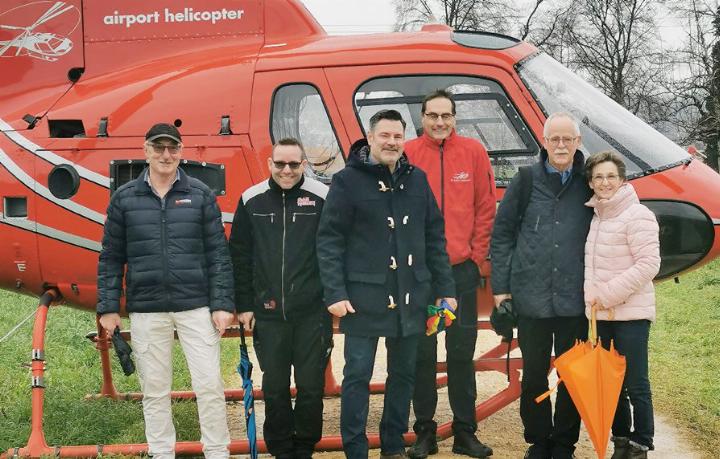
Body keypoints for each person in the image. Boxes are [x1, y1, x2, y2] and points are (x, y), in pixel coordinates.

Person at [317, 109, 456, 459]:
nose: (392, 142)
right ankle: (355, 450)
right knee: (357, 377)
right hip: (363, 297)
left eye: (397, 136)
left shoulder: (418, 179)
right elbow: (329, 239)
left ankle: (393, 446)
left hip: (411, 295)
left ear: (404, 138)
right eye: (385, 136)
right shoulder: (347, 180)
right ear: (371, 137)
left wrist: (446, 290)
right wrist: (334, 291)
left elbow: (434, 237)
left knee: (403, 376)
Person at [97, 123, 234, 459]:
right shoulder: (124, 199)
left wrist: (221, 304)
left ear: (181, 151)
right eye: (158, 148)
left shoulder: (200, 195)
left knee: (209, 386)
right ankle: (161, 452)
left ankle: (217, 451)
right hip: (147, 308)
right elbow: (111, 258)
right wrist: (108, 307)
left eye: (172, 148)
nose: (166, 155)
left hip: (196, 306)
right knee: (155, 390)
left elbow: (219, 255)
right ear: (146, 151)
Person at [490, 112, 593, 459]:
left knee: (571, 375)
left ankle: (564, 443)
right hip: (530, 297)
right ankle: (538, 440)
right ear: (544, 142)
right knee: (534, 374)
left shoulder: (589, 180)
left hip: (573, 299)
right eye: (554, 139)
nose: (561, 145)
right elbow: (502, 234)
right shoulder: (525, 179)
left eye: (568, 139)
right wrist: (501, 289)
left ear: (577, 142)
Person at [404, 89, 496, 459]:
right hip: (421, 276)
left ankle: (464, 432)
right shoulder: (409, 153)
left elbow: (485, 208)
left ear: (455, 118)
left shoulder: (473, 152)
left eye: (446, 115)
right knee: (422, 354)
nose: (439, 122)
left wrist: (476, 260)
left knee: (461, 354)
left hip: (459, 274)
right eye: (432, 116)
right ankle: (425, 431)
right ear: (422, 118)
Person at [229, 138, 332, 459]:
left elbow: (333, 251)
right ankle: (280, 448)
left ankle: (304, 446)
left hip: (312, 314)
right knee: (273, 387)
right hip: (267, 314)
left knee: (311, 387)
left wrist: (332, 297)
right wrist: (244, 305)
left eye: (294, 164)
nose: (286, 170)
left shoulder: (322, 197)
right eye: (280, 164)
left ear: (304, 164)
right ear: (269, 164)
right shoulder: (251, 200)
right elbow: (240, 256)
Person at [583, 151, 660, 459]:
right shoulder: (597, 217)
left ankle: (641, 443)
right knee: (609, 381)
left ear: (623, 179)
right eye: (598, 177)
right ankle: (621, 440)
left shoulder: (638, 215)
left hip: (631, 314)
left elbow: (648, 264)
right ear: (591, 182)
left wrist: (609, 294)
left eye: (610, 176)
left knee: (636, 381)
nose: (605, 183)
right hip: (602, 314)